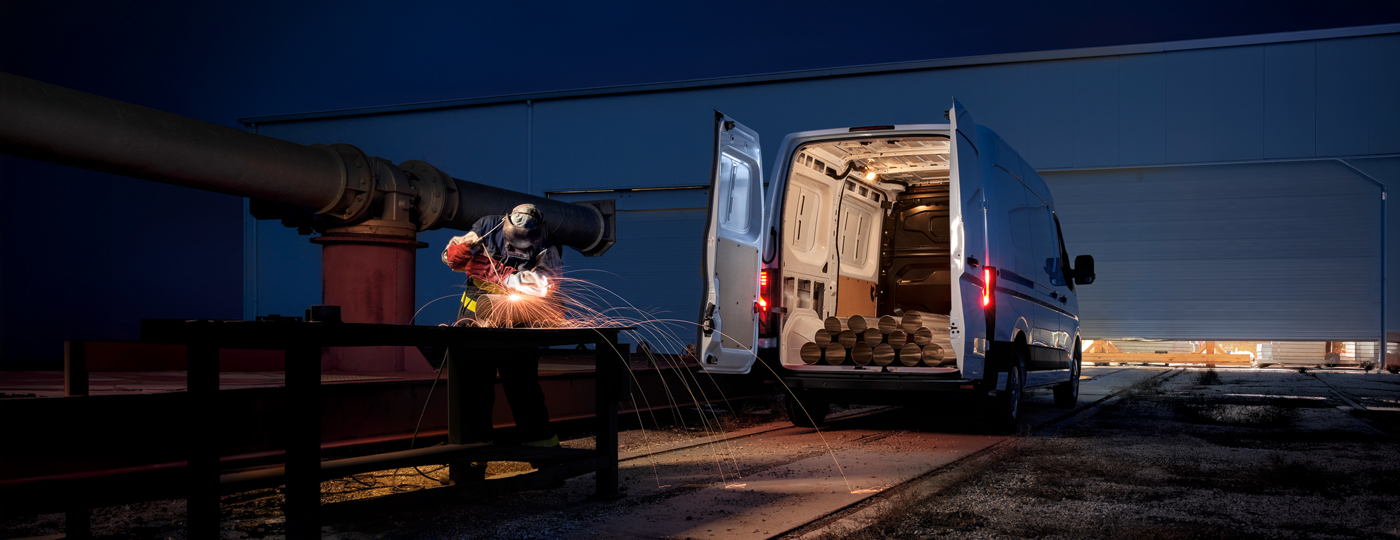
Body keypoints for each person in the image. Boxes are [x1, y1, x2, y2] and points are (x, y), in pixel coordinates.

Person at [439, 203, 563, 448]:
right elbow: (451, 259)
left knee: (525, 392)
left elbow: (547, 283)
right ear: (506, 225)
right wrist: (455, 254)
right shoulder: (487, 227)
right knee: (474, 394)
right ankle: (472, 463)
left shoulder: (548, 243)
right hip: (473, 324)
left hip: (516, 326)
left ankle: (546, 458)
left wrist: (503, 277)